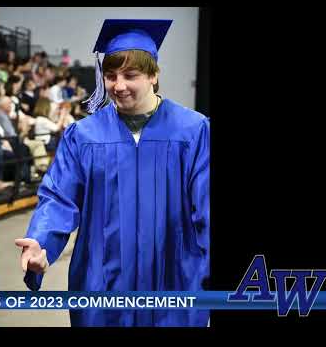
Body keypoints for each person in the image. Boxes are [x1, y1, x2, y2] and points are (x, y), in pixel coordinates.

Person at [15, 19, 210, 327]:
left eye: (130, 75)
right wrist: (41, 242)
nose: (118, 85)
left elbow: (207, 207)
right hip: (101, 282)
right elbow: (58, 198)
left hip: (174, 279)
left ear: (154, 75)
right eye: (110, 75)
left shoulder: (193, 130)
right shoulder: (83, 135)